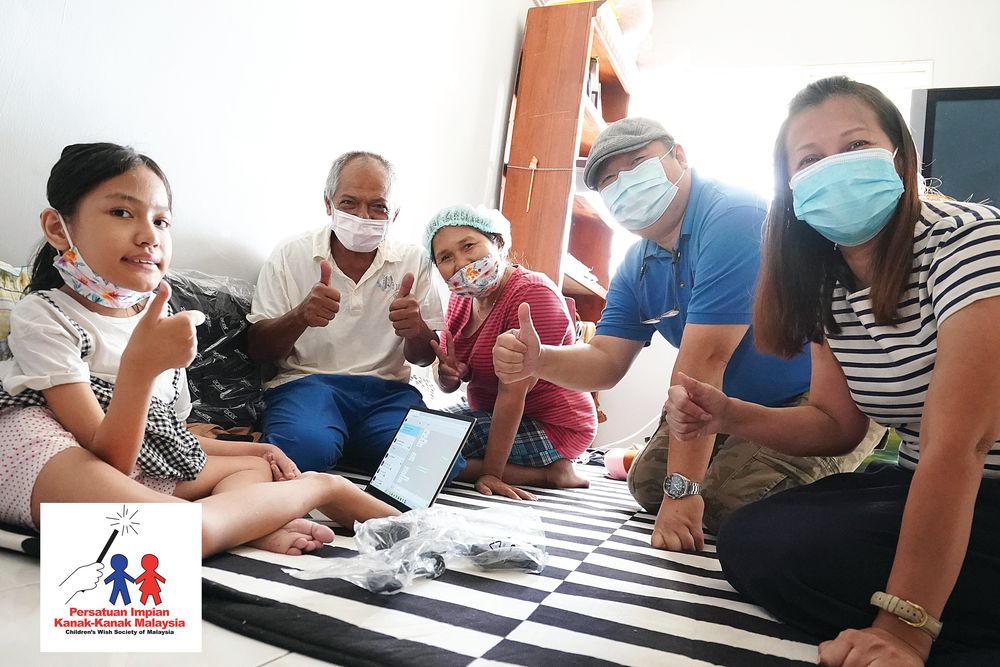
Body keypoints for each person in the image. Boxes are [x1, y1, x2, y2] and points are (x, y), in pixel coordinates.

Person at [665, 77, 1000, 666]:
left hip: (975, 482)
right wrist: (729, 413)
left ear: (900, 154)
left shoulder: (973, 246)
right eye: (811, 159)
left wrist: (904, 629)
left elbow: (960, 447)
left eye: (855, 147)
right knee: (752, 539)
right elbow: (835, 424)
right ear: (791, 186)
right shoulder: (828, 280)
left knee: (815, 558)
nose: (835, 169)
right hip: (919, 480)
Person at [494, 117, 882, 550]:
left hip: (812, 401)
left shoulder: (735, 215)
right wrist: (540, 359)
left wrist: (683, 494)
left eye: (636, 165)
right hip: (729, 407)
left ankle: (856, 487)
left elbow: (705, 360)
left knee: (723, 504)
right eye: (608, 181)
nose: (623, 184)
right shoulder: (637, 264)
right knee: (646, 485)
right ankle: (728, 459)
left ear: (678, 155)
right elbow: (605, 362)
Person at [0, 143, 397, 558]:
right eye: (121, 212)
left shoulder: (158, 320)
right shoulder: (44, 315)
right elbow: (109, 455)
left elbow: (166, 434)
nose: (148, 235)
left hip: (131, 459)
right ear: (58, 227)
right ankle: (322, 488)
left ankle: (243, 524)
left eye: (161, 220)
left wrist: (254, 448)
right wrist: (141, 365)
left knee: (255, 467)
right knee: (182, 533)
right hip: (52, 450)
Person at [247, 151, 444, 474]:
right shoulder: (291, 253)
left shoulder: (414, 261)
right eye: (349, 203)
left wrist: (417, 329)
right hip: (308, 384)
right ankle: (340, 440)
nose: (363, 216)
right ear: (328, 203)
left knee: (428, 461)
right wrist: (300, 317)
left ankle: (348, 440)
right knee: (299, 451)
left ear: (393, 215)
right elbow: (257, 350)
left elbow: (424, 358)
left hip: (387, 392)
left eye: (377, 206)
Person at [423, 205, 597, 499]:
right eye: (446, 257)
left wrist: (492, 474)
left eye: (468, 246)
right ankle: (547, 471)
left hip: (554, 424)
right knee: (416, 433)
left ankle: (551, 473)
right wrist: (447, 375)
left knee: (428, 454)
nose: (461, 262)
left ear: (498, 244)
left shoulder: (532, 294)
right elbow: (450, 381)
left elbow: (512, 393)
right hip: (491, 413)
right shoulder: (462, 302)